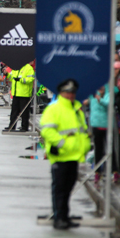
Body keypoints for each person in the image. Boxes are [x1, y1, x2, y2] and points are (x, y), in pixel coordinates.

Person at [40, 79, 90, 230]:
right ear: (61, 93)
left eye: (73, 92)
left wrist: (85, 146)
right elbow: (47, 130)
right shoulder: (54, 108)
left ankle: (64, 216)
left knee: (68, 188)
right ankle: (59, 218)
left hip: (75, 155)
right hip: (61, 155)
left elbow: (81, 130)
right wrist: (61, 144)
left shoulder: (76, 108)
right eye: (67, 92)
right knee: (60, 189)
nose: (70, 95)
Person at [5, 62, 35, 132]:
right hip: (16, 93)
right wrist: (7, 74)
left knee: (24, 112)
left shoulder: (28, 68)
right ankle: (12, 126)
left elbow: (31, 79)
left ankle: (24, 127)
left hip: (24, 93)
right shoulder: (16, 68)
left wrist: (21, 80)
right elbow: (12, 78)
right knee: (14, 112)